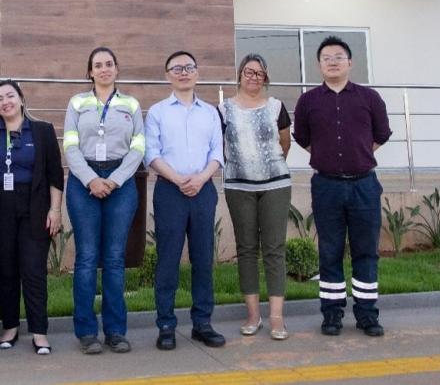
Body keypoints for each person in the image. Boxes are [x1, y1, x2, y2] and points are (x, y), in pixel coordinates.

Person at [293, 36, 392, 338]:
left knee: (366, 252)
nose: (333, 61)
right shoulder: (308, 101)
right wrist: (327, 157)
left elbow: (381, 135)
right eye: (326, 57)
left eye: (338, 56)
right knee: (330, 251)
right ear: (319, 65)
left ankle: (366, 314)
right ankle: (332, 314)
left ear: (350, 62)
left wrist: (358, 154)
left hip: (364, 185)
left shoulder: (369, 98)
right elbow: (304, 139)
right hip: (327, 186)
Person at [63, 46, 145, 355]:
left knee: (114, 259)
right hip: (84, 180)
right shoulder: (77, 103)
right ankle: (86, 332)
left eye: (109, 64)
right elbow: (70, 145)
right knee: (86, 258)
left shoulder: (131, 104)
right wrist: (91, 180)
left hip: (120, 182)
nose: (104, 69)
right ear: (90, 72)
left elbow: (138, 147)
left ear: (117, 69)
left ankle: (115, 332)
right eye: (98, 65)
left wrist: (114, 180)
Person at [144, 50, 226, 351]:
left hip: (203, 190)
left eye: (189, 67)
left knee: (203, 259)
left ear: (197, 73)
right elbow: (150, 153)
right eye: (176, 68)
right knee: (168, 260)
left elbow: (218, 152)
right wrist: (179, 180)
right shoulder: (157, 112)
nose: (183, 72)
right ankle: (166, 325)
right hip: (170, 191)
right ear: (167, 75)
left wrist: (202, 178)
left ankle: (202, 323)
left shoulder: (210, 112)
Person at [0, 80, 64, 356]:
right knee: (5, 270)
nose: (5, 102)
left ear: (21, 98)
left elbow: (55, 174)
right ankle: (10, 327)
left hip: (35, 207)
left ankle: (39, 332)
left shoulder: (42, 131)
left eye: (10, 96)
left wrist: (55, 209)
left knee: (33, 271)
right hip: (0, 209)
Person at [220, 54, 293, 341]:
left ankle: (277, 318)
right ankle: (253, 315)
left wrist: (267, 167)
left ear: (266, 78)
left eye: (259, 73)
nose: (253, 77)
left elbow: (284, 143)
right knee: (247, 250)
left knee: (274, 250)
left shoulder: (276, 107)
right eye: (248, 72)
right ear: (239, 75)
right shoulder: (223, 110)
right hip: (239, 187)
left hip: (275, 185)